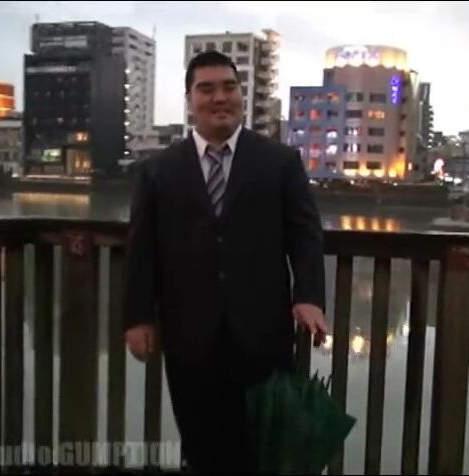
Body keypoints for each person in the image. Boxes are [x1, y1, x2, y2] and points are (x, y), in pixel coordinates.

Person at [123, 51, 328, 473]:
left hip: (264, 335)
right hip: (188, 336)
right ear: (189, 99)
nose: (220, 97)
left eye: (229, 87)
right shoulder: (157, 170)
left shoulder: (280, 161)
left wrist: (308, 296)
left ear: (241, 94)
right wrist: (138, 317)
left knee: (267, 451)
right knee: (203, 448)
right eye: (207, 89)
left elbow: (305, 233)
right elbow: (142, 248)